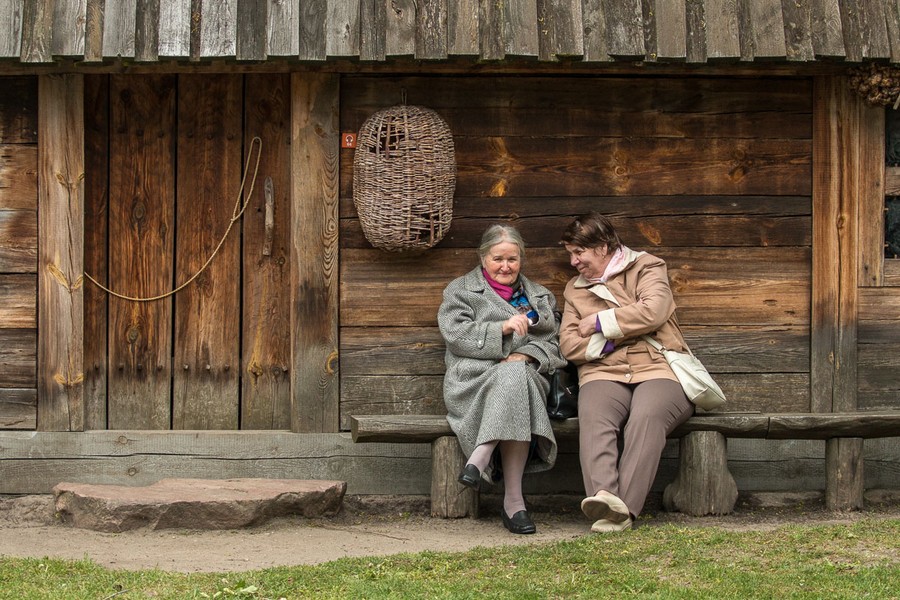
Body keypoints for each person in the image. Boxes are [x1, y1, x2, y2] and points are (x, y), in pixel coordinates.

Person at [558, 212, 695, 533]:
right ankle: (603, 497)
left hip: (660, 365)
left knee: (646, 417)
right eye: (570, 254)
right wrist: (609, 344)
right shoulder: (574, 290)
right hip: (602, 370)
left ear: (603, 247)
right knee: (594, 416)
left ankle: (623, 512)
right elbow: (568, 344)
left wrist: (598, 324)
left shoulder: (647, 267)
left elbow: (654, 310)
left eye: (579, 253)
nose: (574, 261)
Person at [438, 224, 567, 535]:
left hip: (527, 376)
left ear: (521, 259)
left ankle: (480, 456)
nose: (505, 266)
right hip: (474, 380)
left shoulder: (539, 296)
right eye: (498, 259)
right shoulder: (460, 290)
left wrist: (526, 355)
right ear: (484, 258)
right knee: (515, 380)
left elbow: (557, 341)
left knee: (516, 374)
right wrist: (502, 329)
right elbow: (456, 336)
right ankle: (514, 502)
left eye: (513, 259)